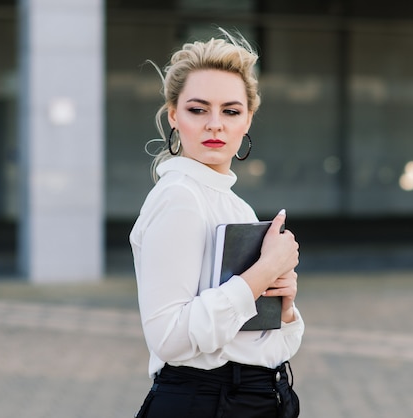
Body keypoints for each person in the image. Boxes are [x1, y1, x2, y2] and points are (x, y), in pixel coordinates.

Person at [130, 29, 304, 418]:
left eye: (230, 110)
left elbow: (259, 342)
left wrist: (283, 305)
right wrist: (263, 272)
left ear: (248, 120)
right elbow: (170, 339)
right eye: (197, 109)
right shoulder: (180, 197)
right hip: (206, 402)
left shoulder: (234, 204)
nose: (215, 124)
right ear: (173, 115)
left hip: (253, 397)